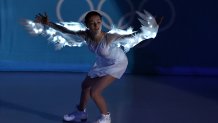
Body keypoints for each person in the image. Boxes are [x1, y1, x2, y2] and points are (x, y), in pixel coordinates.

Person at [33, 10, 161, 123]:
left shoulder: (109, 37)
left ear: (101, 22)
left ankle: (106, 118)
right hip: (103, 62)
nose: (96, 25)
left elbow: (133, 36)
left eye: (98, 22)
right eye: (92, 23)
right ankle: (81, 113)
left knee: (95, 92)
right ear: (87, 24)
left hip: (118, 63)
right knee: (85, 86)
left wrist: (151, 29)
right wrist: (48, 23)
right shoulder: (85, 35)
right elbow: (65, 30)